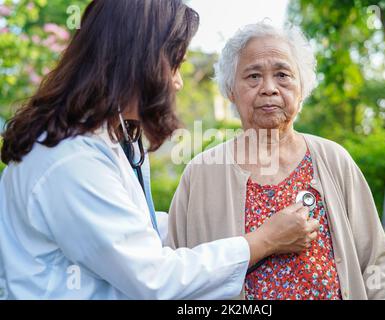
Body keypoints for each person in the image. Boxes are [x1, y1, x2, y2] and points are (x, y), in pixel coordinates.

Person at [0, 1, 319, 300]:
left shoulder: (109, 137)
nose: (178, 83)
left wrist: (215, 219)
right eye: (175, 65)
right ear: (140, 62)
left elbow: (138, 226)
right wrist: (263, 241)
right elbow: (153, 278)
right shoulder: (71, 160)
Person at [167, 22, 385, 300]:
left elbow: (376, 264)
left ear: (302, 87)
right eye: (253, 76)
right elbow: (175, 275)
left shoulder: (334, 160)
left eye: (282, 74)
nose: (269, 88)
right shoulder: (201, 174)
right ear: (231, 89)